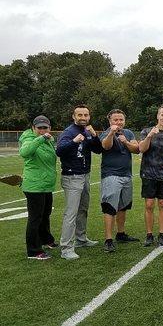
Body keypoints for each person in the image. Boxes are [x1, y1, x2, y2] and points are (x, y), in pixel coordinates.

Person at [56, 104, 103, 260]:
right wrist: (74, 141)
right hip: (72, 176)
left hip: (85, 175)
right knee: (71, 213)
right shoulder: (68, 132)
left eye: (86, 115)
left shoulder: (87, 131)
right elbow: (59, 151)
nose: (83, 118)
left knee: (83, 209)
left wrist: (95, 136)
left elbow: (98, 150)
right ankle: (66, 248)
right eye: (80, 115)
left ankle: (81, 239)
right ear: (74, 116)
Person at [99, 109, 140, 253]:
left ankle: (121, 234)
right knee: (110, 206)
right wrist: (111, 132)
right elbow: (106, 146)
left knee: (123, 206)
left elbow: (136, 149)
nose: (118, 122)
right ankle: (108, 239)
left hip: (126, 175)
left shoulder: (128, 133)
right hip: (111, 175)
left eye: (121, 119)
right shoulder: (105, 133)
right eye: (115, 120)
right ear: (110, 121)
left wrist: (126, 142)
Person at [139, 104, 163, 247]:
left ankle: (162, 233)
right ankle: (149, 234)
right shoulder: (146, 131)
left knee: (162, 204)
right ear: (158, 116)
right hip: (148, 173)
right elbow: (141, 149)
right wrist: (150, 136)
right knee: (149, 205)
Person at [19, 115, 57, 260]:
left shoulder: (48, 140)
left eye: (45, 128)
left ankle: (46, 240)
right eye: (39, 128)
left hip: (45, 185)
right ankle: (33, 250)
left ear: (49, 128)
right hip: (34, 186)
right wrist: (41, 138)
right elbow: (25, 152)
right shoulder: (29, 138)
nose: (42, 130)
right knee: (35, 218)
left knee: (45, 214)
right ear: (33, 128)